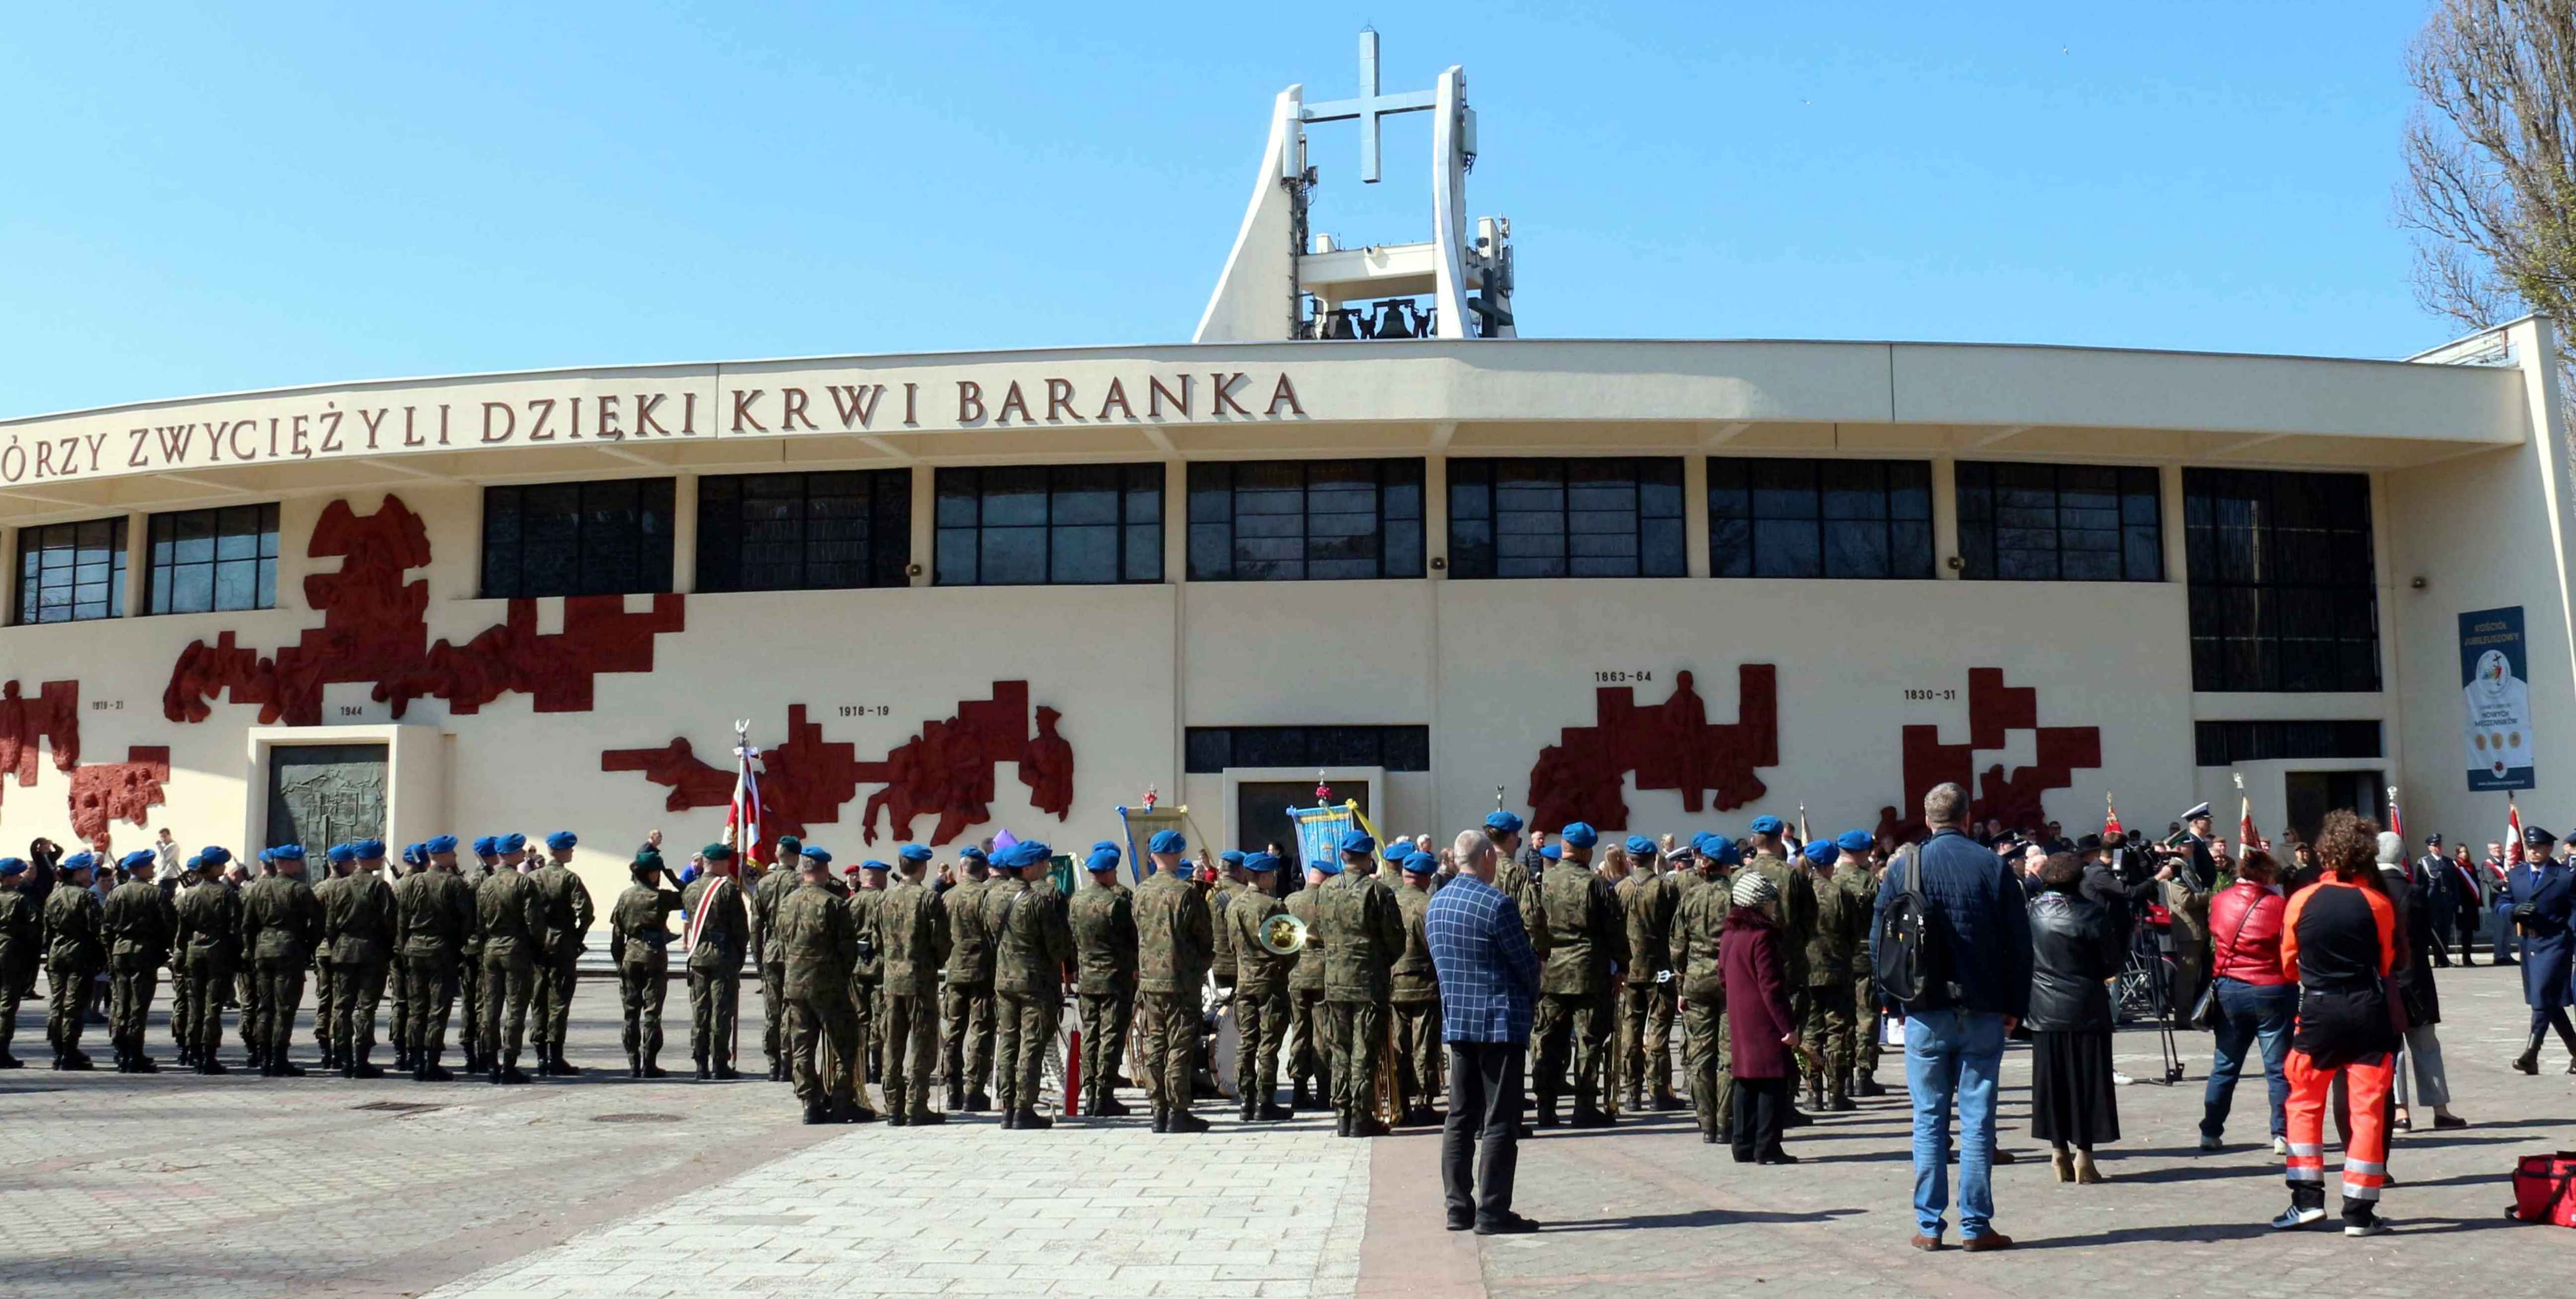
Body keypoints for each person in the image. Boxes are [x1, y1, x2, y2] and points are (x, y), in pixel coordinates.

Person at [1872, 782, 2030, 1253]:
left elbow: (1880, 941)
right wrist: (2015, 1007)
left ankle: (1929, 1225)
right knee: (1978, 1121)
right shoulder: (1993, 866)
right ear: (1967, 819)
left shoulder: (1905, 866)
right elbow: (2020, 944)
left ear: (1927, 819)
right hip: (1983, 1008)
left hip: (1925, 1009)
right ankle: (1976, 1226)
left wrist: (1892, 1003)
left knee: (1928, 1118)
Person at [2274, 811, 2400, 1237]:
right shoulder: (2378, 904)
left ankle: (2307, 1200)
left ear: (2324, 855)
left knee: (2304, 1102)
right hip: (2367, 1010)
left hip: (2319, 1009)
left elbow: (2287, 963)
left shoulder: (2301, 899)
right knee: (2368, 1111)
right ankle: (2360, 1212)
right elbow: (2386, 963)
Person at [1428, 827, 1541, 1236]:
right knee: (1499, 1120)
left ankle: (1458, 1208)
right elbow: (1526, 964)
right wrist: (1532, 991)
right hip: (1498, 1023)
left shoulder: (1436, 903)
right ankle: (1493, 1212)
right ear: (1488, 858)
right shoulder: (1497, 904)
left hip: (1459, 1023)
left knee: (1459, 1117)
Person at [2025, 852, 2122, 1183]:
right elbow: (2110, 963)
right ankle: (2085, 1155)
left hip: (2044, 1007)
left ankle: (2058, 1151)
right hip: (2085, 1005)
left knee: (2052, 1081)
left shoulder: (2032, 911)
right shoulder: (2091, 913)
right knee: (2088, 1082)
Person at [1532, 821, 1626, 1129]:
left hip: (1551, 972)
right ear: (1586, 852)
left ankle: (1546, 1107)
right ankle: (1585, 1106)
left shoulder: (1541, 881)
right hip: (1589, 973)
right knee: (1589, 1042)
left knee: (1549, 1041)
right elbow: (1615, 930)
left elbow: (1532, 924)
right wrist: (1622, 965)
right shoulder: (1596, 884)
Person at [2201, 848, 2296, 1153]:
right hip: (2273, 987)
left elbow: (2215, 933)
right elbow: (2289, 944)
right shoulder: (2280, 905)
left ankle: (2211, 1130)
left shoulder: (2220, 901)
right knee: (2278, 1067)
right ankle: (2282, 1133)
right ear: (2266, 875)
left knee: (2225, 1064)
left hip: (2231, 987)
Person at [1317, 830, 1405, 1137]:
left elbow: (1320, 931)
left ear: (1344, 856)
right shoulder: (1377, 891)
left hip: (1334, 981)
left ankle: (1342, 1115)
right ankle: (1360, 1116)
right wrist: (1380, 961)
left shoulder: (1326, 888)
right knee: (1364, 1051)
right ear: (1369, 858)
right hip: (1368, 982)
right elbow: (1396, 941)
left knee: (1339, 1049)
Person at [985, 840, 1073, 1130]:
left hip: (1004, 979)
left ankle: (1008, 1105)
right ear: (1027, 868)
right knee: (1032, 1043)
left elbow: (990, 936)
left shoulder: (992, 897)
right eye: (1041, 863)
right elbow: (1057, 947)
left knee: (1008, 1041)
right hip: (1034, 982)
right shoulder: (1036, 901)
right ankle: (1024, 1108)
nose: (1045, 867)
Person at [2379, 832, 2462, 1130]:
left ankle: (2400, 1111)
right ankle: (2440, 1109)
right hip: (2415, 978)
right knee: (2427, 1046)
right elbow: (2425, 934)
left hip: (2383, 979)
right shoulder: (2413, 892)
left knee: (2393, 1050)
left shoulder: (2367, 892)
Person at [1132, 831, 1213, 1133]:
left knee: (1155, 1043)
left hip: (1150, 980)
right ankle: (1178, 1111)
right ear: (1177, 853)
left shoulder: (1141, 891)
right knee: (1180, 1044)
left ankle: (1158, 1109)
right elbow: (1204, 937)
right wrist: (1201, 966)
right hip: (1180, 980)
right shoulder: (1186, 892)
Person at [779, 846, 866, 1124]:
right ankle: (842, 1100)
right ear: (824, 870)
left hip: (795, 984)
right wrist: (841, 975)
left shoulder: (787, 903)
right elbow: (848, 949)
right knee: (845, 1042)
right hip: (827, 984)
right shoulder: (832, 903)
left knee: (803, 1044)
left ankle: (810, 1103)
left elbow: (782, 941)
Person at [1720, 869, 1801, 1164]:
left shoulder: (1729, 935)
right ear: (1760, 904)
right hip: (1764, 1018)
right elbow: (1771, 986)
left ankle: (1742, 1144)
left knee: (1745, 1080)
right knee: (1771, 1081)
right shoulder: (1763, 937)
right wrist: (1787, 1026)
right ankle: (1767, 1146)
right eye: (1770, 901)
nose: (1774, 905)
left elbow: (1723, 977)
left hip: (1739, 1015)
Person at [876, 844, 952, 1126]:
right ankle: (916, 1105)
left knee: (892, 1044)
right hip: (920, 981)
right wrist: (934, 962)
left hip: (891, 981)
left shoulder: (884, 898)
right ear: (922, 867)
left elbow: (876, 940)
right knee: (922, 1044)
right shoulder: (928, 899)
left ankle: (893, 1106)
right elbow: (941, 942)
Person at [393, 836, 475, 1082]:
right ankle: (431, 1062)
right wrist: (458, 945)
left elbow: (401, 922)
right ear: (442, 855)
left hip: (415, 949)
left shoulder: (411, 883)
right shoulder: (454, 884)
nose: (455, 857)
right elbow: (467, 920)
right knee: (438, 1009)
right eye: (452, 853)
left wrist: (404, 947)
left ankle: (416, 1060)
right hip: (442, 950)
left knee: (417, 1008)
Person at [240, 844, 323, 1077]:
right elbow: (318, 923)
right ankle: (279, 1058)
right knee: (285, 1008)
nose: (302, 864)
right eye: (298, 860)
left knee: (265, 1007)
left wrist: (251, 951)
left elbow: (247, 925)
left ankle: (264, 1057)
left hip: (263, 951)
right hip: (289, 950)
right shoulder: (300, 890)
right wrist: (308, 947)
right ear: (285, 863)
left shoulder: (258, 889)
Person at [1068, 842, 1138, 1118]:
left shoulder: (1076, 900)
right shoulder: (1116, 904)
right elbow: (1131, 941)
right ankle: (1104, 1094)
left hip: (1087, 978)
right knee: (1111, 1035)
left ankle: (1090, 1094)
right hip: (1114, 978)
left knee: (1091, 1034)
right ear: (1109, 873)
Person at [1614, 835, 1683, 1114]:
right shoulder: (1665, 888)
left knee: (1630, 1030)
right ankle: (1658, 1092)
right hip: (1660, 969)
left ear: (1630, 860)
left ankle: (1632, 1093)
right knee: (1658, 1031)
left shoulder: (1620, 888)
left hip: (1629, 970)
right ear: (1654, 858)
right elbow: (1676, 929)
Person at [1224, 851, 1295, 1120]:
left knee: (1246, 1042)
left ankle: (1246, 1101)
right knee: (1268, 1045)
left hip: (1244, 983)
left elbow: (1232, 946)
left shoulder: (1233, 905)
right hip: (1270, 984)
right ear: (1264, 876)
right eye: (1272, 874)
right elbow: (1288, 948)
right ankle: (1266, 1101)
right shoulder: (1273, 907)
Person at [1801, 833, 1869, 1113]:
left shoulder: (1800, 892)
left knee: (1810, 1034)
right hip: (1837, 970)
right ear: (1830, 865)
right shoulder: (1840, 894)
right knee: (1838, 1033)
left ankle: (1813, 1093)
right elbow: (1854, 934)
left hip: (1806, 971)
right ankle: (1836, 1093)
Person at [322, 841, 398, 1079]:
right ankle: (361, 1060)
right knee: (366, 1008)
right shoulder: (379, 886)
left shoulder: (339, 886)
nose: (381, 862)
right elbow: (390, 923)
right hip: (371, 952)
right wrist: (387, 950)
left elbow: (330, 924)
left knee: (342, 1006)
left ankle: (344, 1059)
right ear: (372, 860)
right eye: (380, 858)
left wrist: (337, 947)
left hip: (344, 951)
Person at [2504, 824, 2576, 1074]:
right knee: (2549, 1002)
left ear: (2549, 848)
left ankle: (2531, 1053)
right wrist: (2513, 911)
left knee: (2542, 996)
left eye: (2538, 847)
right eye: (2530, 847)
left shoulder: (2565, 876)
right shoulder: (2517, 875)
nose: (2533, 851)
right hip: (2529, 944)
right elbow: (2504, 901)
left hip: (2556, 943)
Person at [475, 836, 545, 1084]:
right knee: (516, 1007)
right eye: (520, 851)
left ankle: (490, 1062)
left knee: (490, 1007)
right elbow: (533, 922)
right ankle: (509, 1064)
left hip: (491, 948)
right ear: (513, 854)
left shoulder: (486, 884)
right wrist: (538, 948)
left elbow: (479, 923)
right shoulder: (523, 883)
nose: (524, 854)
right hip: (516, 949)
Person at [610, 851, 683, 1079]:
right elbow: (690, 897)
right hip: (654, 956)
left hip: (630, 955)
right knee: (652, 1012)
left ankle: (633, 1063)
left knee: (631, 1013)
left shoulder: (625, 896)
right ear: (652, 873)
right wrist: (673, 878)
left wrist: (619, 961)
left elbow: (617, 933)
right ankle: (649, 1064)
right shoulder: (660, 897)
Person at [100, 849, 175, 1073]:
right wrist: (166, 950)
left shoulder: (116, 893)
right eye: (150, 866)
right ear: (140, 869)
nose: (153, 869)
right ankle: (134, 1053)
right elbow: (169, 925)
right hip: (144, 952)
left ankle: (121, 1049)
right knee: (138, 1005)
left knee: (120, 1002)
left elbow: (106, 927)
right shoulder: (155, 893)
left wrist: (110, 952)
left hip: (120, 951)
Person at [680, 842, 750, 1080]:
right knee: (721, 1011)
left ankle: (700, 1064)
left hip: (698, 956)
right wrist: (739, 957)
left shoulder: (690, 889)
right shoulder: (728, 889)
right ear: (719, 863)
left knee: (700, 1010)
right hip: (723, 957)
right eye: (727, 862)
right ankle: (719, 1064)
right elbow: (740, 928)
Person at [168, 851, 241, 1075]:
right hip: (218, 952)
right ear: (213, 868)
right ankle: (209, 1053)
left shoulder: (187, 895)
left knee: (195, 1004)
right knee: (213, 1006)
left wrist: (180, 954)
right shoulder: (227, 893)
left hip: (193, 952)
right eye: (221, 865)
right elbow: (235, 927)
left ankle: (194, 1050)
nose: (224, 869)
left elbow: (180, 931)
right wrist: (238, 955)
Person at [940, 844, 1000, 1111]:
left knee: (953, 1032)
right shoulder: (987, 896)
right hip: (982, 973)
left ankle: (952, 1090)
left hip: (954, 972)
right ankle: (973, 1090)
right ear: (985, 870)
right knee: (981, 1031)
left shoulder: (947, 897)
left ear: (961, 867)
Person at [529, 831, 594, 1076]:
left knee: (538, 999)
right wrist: (578, 936)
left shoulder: (532, 878)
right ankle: (555, 1056)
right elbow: (585, 911)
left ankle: (540, 1056)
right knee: (559, 1001)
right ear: (562, 851)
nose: (572, 852)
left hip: (538, 944)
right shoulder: (569, 879)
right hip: (562, 943)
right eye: (570, 849)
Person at [1390, 851, 1445, 1125]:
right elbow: (1437, 947)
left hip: (1393, 984)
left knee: (1398, 1046)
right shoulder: (1430, 905)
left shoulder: (1389, 901)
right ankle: (1424, 1102)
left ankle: (1399, 1102)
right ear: (1427, 878)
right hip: (1425, 985)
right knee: (1425, 1045)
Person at [44, 852, 107, 1070]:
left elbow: (47, 931)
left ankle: (58, 1048)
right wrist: (103, 954)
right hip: (80, 953)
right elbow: (97, 928)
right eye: (88, 869)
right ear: (78, 873)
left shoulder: (53, 897)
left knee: (58, 1003)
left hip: (57, 953)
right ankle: (69, 1050)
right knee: (74, 1004)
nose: (90, 873)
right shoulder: (85, 897)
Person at [753, 834, 803, 1083]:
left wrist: (757, 955)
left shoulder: (764, 884)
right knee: (792, 1008)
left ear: (777, 855)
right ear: (797, 857)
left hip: (771, 950)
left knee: (772, 1010)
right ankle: (788, 1062)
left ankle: (773, 1064)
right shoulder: (801, 882)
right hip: (795, 950)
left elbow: (756, 925)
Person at [1286, 856, 1335, 1109]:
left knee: (1299, 1031)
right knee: (1322, 1032)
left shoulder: (1289, 901)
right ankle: (1324, 1091)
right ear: (1326, 879)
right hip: (1322, 972)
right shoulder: (1327, 901)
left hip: (1295, 971)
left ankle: (1299, 1088)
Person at [0, 858, 42, 1069]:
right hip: (12, 951)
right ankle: (2, 1050)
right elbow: (36, 927)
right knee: (8, 1002)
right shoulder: (20, 900)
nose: (19, 878)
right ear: (8, 878)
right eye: (17, 875)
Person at [2484, 840, 2519, 966]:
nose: (2497, 850)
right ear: (2490, 851)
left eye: (2499, 848)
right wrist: (2505, 881)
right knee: (2500, 931)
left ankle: (2507, 955)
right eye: (2494, 849)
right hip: (2497, 900)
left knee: (2509, 931)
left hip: (2510, 899)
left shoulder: (2508, 862)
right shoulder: (2487, 865)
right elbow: (2492, 882)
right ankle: (2498, 956)